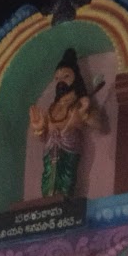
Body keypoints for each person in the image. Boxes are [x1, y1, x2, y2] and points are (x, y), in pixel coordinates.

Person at [28, 48, 105, 198]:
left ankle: (63, 202)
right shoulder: (52, 108)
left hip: (69, 149)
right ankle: (48, 201)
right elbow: (43, 135)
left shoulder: (80, 103)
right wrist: (38, 128)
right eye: (57, 78)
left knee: (67, 179)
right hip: (51, 151)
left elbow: (99, 125)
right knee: (48, 177)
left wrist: (85, 113)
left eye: (66, 76)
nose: (60, 81)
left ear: (75, 78)